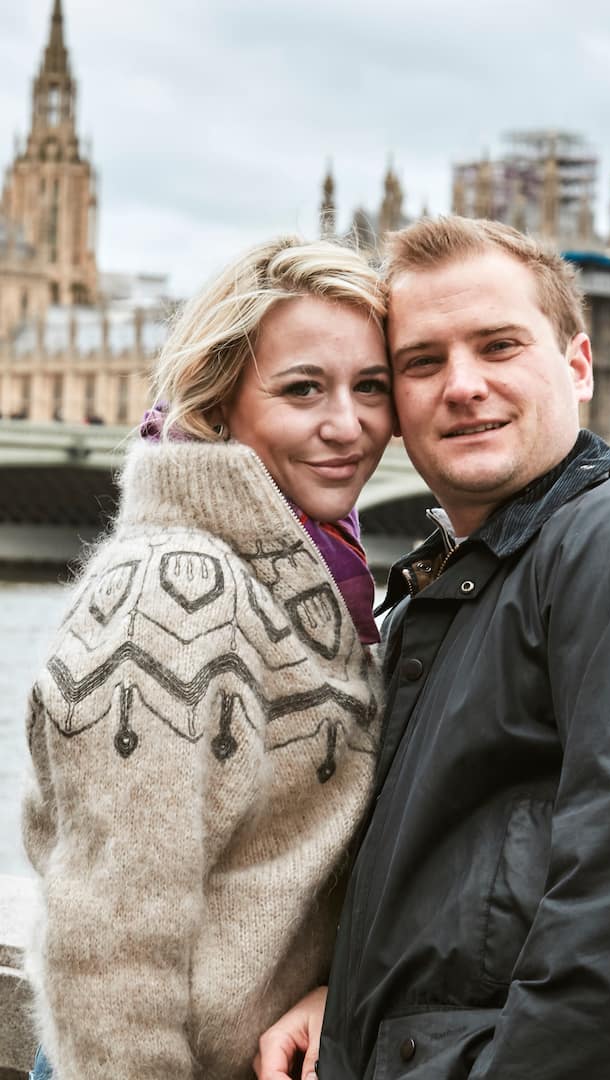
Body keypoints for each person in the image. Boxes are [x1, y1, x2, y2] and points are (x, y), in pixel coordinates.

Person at [256, 216, 610, 1080]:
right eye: (422, 362)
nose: (463, 385)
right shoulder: (447, 589)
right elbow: (462, 891)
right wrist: (349, 1005)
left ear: (577, 366)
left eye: (499, 346)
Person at [22, 235, 394, 1080]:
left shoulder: (310, 577)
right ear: (219, 401)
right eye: (302, 389)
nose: (348, 424)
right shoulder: (175, 589)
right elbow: (110, 943)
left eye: (370, 387)